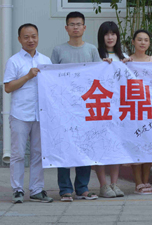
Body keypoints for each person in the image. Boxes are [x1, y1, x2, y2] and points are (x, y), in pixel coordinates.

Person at [51, 11, 100, 202]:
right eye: (72, 24)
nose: (75, 27)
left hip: (86, 107)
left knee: (84, 147)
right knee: (64, 147)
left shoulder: (92, 50)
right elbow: (51, 77)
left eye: (79, 24)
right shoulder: (58, 50)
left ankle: (82, 188)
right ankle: (65, 189)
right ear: (66, 28)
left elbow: (99, 75)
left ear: (84, 27)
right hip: (64, 106)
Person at [3, 24, 54, 203]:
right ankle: (17, 190)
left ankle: (36, 190)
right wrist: (27, 76)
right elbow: (8, 87)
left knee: (38, 153)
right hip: (20, 114)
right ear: (19, 39)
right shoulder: (14, 61)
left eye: (34, 36)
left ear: (38, 37)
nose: (31, 40)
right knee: (17, 154)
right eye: (26, 37)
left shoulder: (46, 60)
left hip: (41, 114)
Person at [94, 21, 127, 198]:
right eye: (106, 34)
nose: (110, 37)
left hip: (119, 109)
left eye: (113, 34)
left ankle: (114, 183)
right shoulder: (95, 56)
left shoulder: (124, 56)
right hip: (100, 108)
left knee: (116, 146)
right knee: (100, 146)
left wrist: (128, 65)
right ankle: (103, 185)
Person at [128, 29, 152, 195]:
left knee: (149, 144)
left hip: (150, 109)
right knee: (136, 145)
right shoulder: (127, 61)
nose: (142, 43)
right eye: (139, 39)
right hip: (133, 109)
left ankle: (146, 181)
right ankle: (138, 182)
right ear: (133, 42)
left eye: (146, 40)